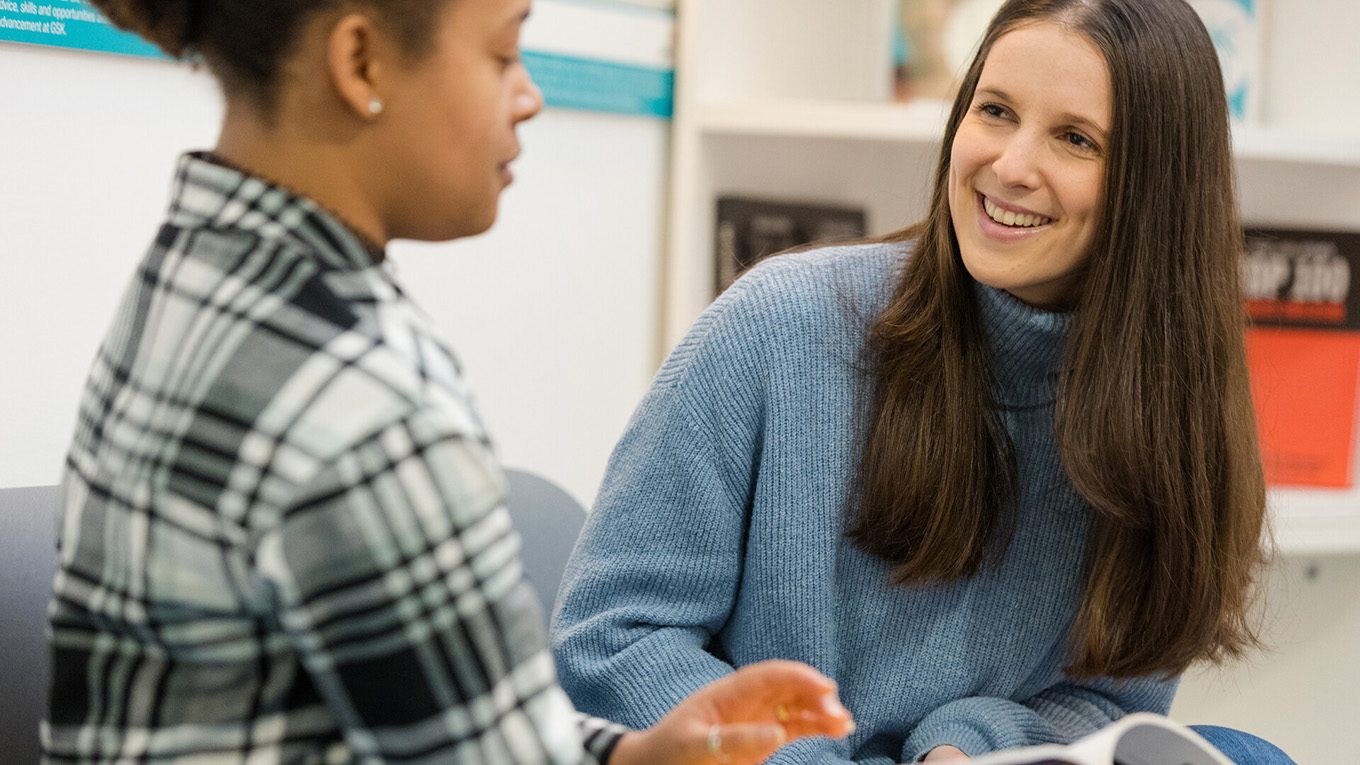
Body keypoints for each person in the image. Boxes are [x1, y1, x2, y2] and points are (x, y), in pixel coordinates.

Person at [42, 0, 857, 763]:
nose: (529, 96)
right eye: (503, 53)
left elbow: (434, 718)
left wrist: (629, 753)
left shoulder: (195, 271)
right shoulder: (365, 406)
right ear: (362, 63)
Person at [549, 0, 1295, 763]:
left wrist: (970, 741)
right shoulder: (777, 325)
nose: (1010, 166)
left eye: (1075, 139)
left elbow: (1115, 700)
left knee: (1249, 754)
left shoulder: (1169, 410)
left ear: (1157, 187)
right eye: (996, 111)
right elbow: (614, 635)